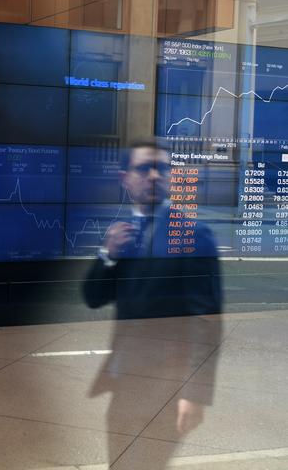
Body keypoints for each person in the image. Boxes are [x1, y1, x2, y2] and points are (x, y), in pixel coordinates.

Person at [82, 138, 222, 468]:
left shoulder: (193, 235)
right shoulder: (122, 235)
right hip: (122, 383)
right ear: (125, 178)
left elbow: (207, 320)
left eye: (162, 168)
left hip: (166, 389)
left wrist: (195, 393)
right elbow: (92, 298)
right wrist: (107, 255)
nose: (155, 175)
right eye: (144, 168)